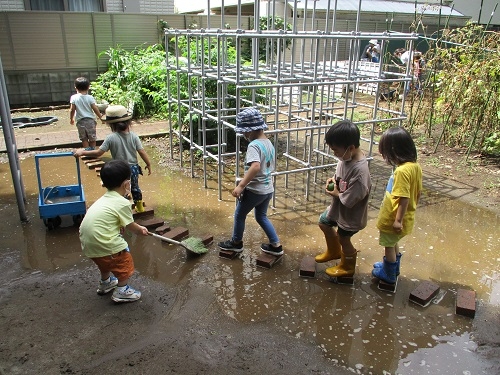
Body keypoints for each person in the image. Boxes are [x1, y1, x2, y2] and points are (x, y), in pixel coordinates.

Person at [79, 159, 148, 302]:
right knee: (124, 261)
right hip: (104, 244)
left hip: (88, 244)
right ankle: (122, 290)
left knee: (105, 262)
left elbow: (110, 220)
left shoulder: (103, 200)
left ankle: (106, 282)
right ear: (126, 184)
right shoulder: (122, 202)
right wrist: (140, 229)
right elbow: (130, 225)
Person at [218, 107, 283, 256]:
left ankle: (236, 243)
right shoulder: (268, 143)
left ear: (251, 130)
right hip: (268, 189)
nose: (244, 135)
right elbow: (267, 166)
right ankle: (276, 245)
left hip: (255, 190)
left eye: (244, 132)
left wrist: (241, 186)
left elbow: (255, 166)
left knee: (239, 215)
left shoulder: (254, 145)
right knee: (261, 216)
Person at [315, 120, 372, 278]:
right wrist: (332, 180)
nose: (335, 154)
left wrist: (337, 194)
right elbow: (339, 175)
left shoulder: (360, 172)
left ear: (351, 148)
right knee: (324, 223)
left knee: (343, 238)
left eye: (336, 150)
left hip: (351, 213)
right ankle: (334, 251)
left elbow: (351, 199)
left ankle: (348, 266)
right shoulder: (346, 157)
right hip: (337, 208)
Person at [73, 105, 152, 213]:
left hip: (119, 170)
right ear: (128, 123)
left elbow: (98, 153)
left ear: (111, 125)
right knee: (134, 187)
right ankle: (139, 207)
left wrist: (82, 152)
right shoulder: (134, 136)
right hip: (133, 168)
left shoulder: (111, 138)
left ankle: (123, 210)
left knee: (121, 190)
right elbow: (141, 151)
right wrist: (148, 164)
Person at [372, 127, 422, 284]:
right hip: (406, 215)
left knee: (388, 244)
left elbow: (404, 197)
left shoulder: (401, 171)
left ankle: (389, 273)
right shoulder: (415, 166)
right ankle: (394, 267)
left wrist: (397, 220)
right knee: (393, 242)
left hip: (394, 216)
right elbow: (417, 192)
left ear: (394, 151)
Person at [70, 77, 103, 150]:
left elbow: (72, 109)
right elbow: (95, 108)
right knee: (92, 137)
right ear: (88, 87)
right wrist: (100, 117)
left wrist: (71, 119)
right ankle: (93, 150)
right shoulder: (90, 97)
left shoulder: (74, 98)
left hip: (80, 121)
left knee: (84, 138)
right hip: (91, 121)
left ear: (76, 88)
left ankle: (87, 150)